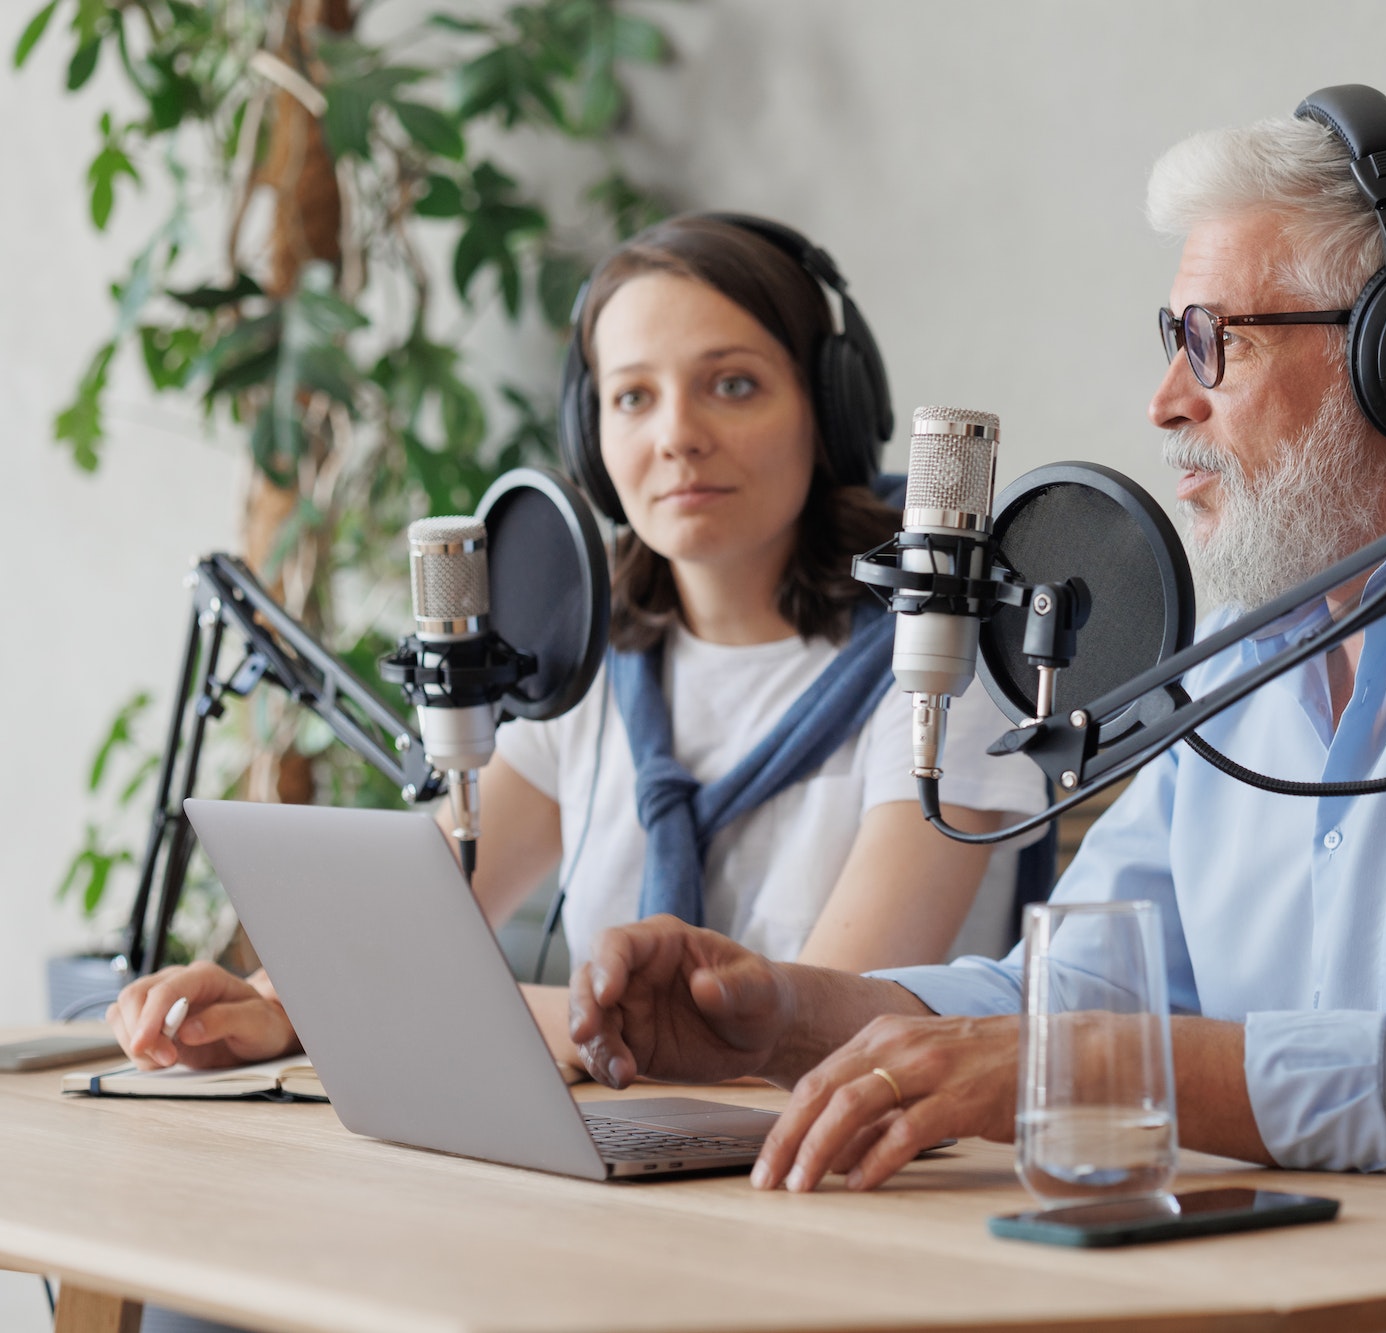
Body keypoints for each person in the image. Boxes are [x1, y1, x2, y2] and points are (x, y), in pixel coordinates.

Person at [563, 97, 1386, 1333]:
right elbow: (1060, 999)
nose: (1162, 403)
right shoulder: (1267, 650)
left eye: (1206, 342)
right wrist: (784, 1016)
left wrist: (1109, 1068)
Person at [107, 214, 1048, 1076]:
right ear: (591, 438)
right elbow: (414, 927)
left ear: (829, 409)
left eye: (733, 384)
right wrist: (278, 1005)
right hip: (632, 1159)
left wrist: (403, 1010)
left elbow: (815, 1031)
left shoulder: (940, 670)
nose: (678, 435)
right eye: (633, 397)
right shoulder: (594, 665)